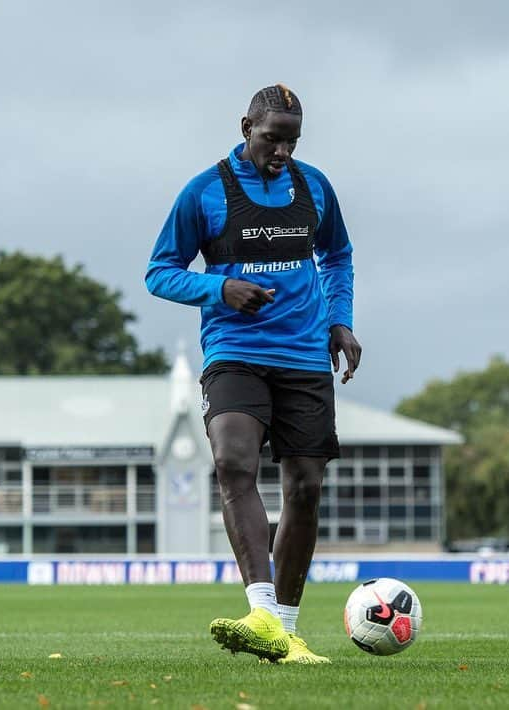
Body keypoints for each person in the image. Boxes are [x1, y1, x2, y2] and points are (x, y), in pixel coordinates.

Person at [146, 84, 360, 664]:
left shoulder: (315, 186)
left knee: (306, 487)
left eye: (292, 141)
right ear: (246, 127)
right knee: (233, 461)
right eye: (272, 139)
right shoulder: (204, 192)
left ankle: (284, 630)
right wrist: (219, 287)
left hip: (303, 356)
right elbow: (160, 272)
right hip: (234, 349)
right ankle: (262, 608)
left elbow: (337, 256)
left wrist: (340, 321)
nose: (282, 152)